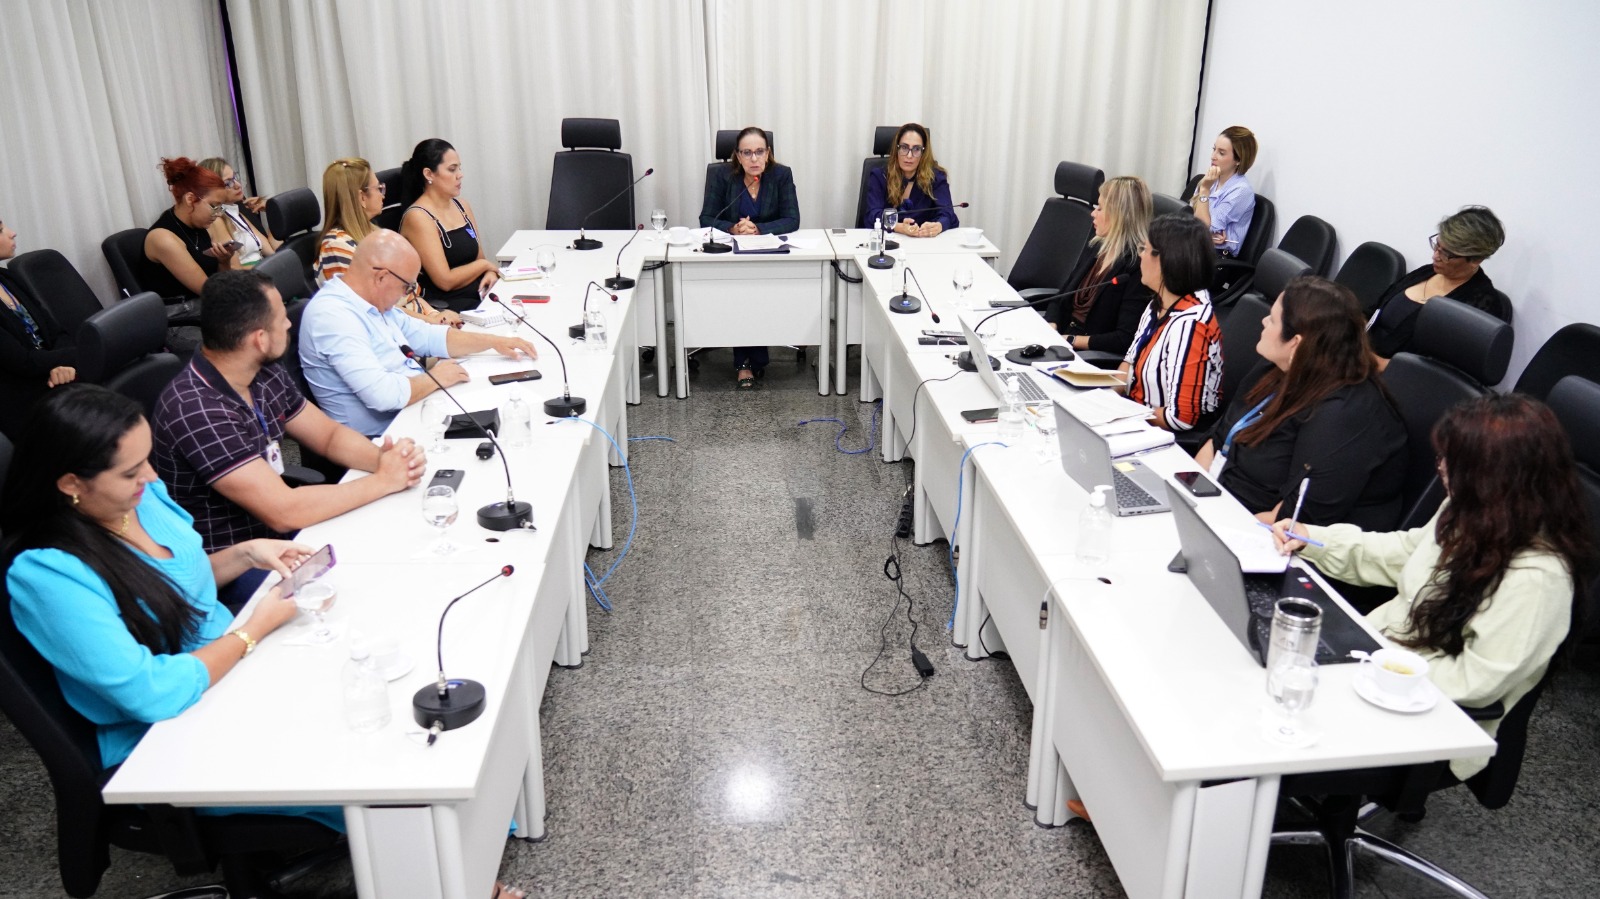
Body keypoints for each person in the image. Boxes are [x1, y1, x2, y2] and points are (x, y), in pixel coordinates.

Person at [1, 384, 529, 899]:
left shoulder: (139, 498)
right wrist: (255, 631)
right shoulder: (48, 573)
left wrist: (246, 553)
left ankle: (451, 859)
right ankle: (453, 878)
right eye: (132, 471)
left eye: (147, 460)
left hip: (228, 666)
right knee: (377, 769)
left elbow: (172, 584)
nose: (152, 476)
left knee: (389, 694)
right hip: (167, 730)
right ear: (72, 482)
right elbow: (148, 692)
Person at [1273, 393, 1591, 780]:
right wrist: (1315, 540)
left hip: (1424, 716)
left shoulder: (1537, 579)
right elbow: (1406, 554)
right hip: (1371, 660)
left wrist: (1367, 669)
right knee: (1267, 668)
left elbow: (1477, 682)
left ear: (1497, 477)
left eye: (1452, 463)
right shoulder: (1471, 510)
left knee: (1266, 721)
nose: (1440, 469)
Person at [151, 270, 427, 597]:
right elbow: (284, 511)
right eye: (281, 319)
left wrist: (387, 460)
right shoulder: (196, 408)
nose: (289, 325)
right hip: (234, 566)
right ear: (260, 339)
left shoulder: (263, 372)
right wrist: (384, 480)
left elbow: (328, 436)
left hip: (281, 538)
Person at [1195, 277, 1406, 529]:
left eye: (1273, 320)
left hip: (1270, 540)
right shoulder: (1274, 368)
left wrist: (1212, 526)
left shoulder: (1344, 413)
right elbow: (1217, 439)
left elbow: (1294, 518)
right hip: (1216, 508)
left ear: (1296, 343)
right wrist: (1190, 499)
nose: (1263, 321)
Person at [298, 231, 536, 436]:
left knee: (511, 414)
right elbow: (382, 396)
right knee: (508, 432)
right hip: (382, 437)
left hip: (413, 409)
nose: (406, 294)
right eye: (406, 287)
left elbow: (431, 336)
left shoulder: (371, 300)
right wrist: (435, 378)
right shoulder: (332, 316)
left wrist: (494, 341)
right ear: (381, 277)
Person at [698, 126, 800, 389]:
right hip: (732, 257)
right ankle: (745, 362)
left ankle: (748, 361)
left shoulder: (781, 175)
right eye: (747, 153)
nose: (754, 159)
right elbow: (706, 219)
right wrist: (733, 228)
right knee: (742, 291)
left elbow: (792, 219)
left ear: (768, 153)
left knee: (754, 292)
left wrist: (759, 229)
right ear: (737, 156)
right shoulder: (722, 176)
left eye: (759, 152)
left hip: (771, 256)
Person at [315, 157, 461, 327]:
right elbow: (378, 309)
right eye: (379, 188)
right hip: (394, 334)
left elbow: (411, 296)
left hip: (417, 324)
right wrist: (432, 323)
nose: (382, 194)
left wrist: (438, 316)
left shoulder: (374, 233)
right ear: (362, 197)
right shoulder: (336, 246)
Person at [1119, 213, 1223, 432]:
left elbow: (1179, 418)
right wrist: (1100, 399)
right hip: (1136, 415)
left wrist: (1121, 413)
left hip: (1163, 435)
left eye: (1144, 250)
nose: (1140, 256)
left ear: (1165, 260)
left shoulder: (1192, 325)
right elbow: (1128, 365)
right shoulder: (1158, 303)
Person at [1366, 206, 1509, 363]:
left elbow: (1438, 368)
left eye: (1446, 254)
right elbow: (1374, 311)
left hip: (1397, 376)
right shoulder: (1426, 272)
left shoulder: (1480, 305)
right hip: (1364, 356)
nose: (1435, 256)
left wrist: (1370, 362)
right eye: (1437, 245)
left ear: (1476, 260)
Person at [1045, 175, 1155, 355]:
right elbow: (1062, 296)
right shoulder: (1097, 246)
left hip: (1089, 356)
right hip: (1061, 342)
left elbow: (1124, 338)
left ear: (1120, 215)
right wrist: (1051, 325)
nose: (1093, 213)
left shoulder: (1136, 265)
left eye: (1101, 208)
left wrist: (1071, 340)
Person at [397, 139, 500, 311]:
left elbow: (479, 257)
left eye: (459, 168)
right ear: (429, 174)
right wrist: (485, 266)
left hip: (477, 293)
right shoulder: (418, 217)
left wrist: (489, 272)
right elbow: (445, 281)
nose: (460, 174)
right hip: (446, 306)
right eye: (452, 169)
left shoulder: (462, 206)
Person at [0, 217, 79, 439]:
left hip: (51, 374)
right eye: (1, 230)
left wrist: (64, 364)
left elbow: (56, 332)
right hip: (21, 396)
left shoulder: (7, 278)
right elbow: (21, 362)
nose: (12, 233)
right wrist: (78, 355)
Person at [144, 157, 239, 299]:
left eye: (220, 207)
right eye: (214, 206)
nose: (218, 213)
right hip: (184, 313)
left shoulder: (200, 225)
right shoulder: (163, 238)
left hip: (209, 303)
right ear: (190, 199)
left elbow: (220, 283)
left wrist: (224, 261)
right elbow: (208, 291)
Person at [859, 123, 959, 236]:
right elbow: (872, 215)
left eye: (916, 149)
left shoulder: (935, 177)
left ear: (923, 153)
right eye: (904, 148)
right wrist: (898, 227)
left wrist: (938, 226)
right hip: (886, 243)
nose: (909, 156)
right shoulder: (880, 176)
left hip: (923, 243)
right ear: (896, 149)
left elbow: (947, 214)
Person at [1188, 126, 1257, 257]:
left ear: (1238, 160)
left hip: (1217, 257)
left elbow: (1200, 227)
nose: (1213, 156)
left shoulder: (1241, 191)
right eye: (1214, 149)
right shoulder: (1209, 180)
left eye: (1221, 153)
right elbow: (1191, 219)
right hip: (1196, 247)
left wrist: (1205, 191)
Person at [198, 156, 279, 267]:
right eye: (228, 183)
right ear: (212, 189)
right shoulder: (216, 220)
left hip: (265, 270)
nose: (238, 185)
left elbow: (272, 251)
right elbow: (235, 269)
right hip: (253, 278)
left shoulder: (236, 213)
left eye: (235, 177)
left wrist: (272, 212)